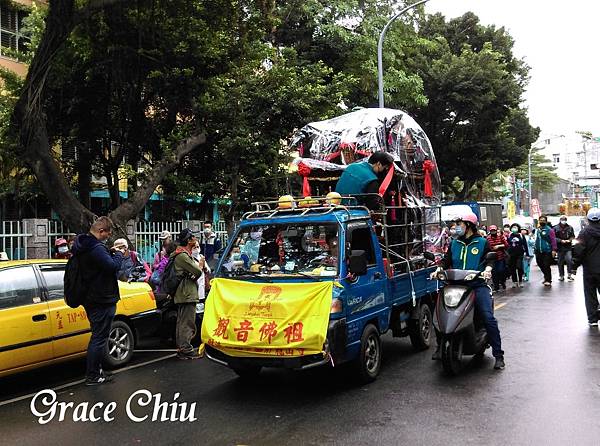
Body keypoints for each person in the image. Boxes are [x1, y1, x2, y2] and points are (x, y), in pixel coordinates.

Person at [431, 212, 505, 370]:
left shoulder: (482, 242)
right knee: (438, 313)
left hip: (476, 285)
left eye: (459, 224)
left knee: (488, 317)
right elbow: (446, 260)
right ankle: (440, 346)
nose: (456, 228)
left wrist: (488, 270)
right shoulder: (454, 243)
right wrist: (438, 269)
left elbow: (490, 258)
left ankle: (498, 355)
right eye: (456, 225)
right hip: (454, 285)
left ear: (469, 225)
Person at [71, 216, 124, 385]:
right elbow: (112, 266)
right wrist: (118, 254)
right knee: (99, 337)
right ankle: (93, 375)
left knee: (98, 335)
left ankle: (98, 371)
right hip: (101, 298)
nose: (108, 237)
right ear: (101, 231)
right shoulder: (95, 248)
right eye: (107, 234)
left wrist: (109, 252)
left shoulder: (84, 246)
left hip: (91, 297)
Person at [172, 228, 204, 360]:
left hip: (184, 293)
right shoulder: (182, 256)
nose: (196, 239)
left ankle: (182, 348)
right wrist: (200, 266)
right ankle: (186, 348)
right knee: (187, 322)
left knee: (182, 322)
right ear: (189, 240)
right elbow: (197, 271)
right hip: (186, 293)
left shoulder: (181, 254)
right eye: (193, 237)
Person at [572, 208, 600, 326]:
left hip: (590, 269)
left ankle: (593, 318)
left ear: (588, 219)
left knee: (590, 293)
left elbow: (578, 250)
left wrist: (574, 266)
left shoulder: (584, 233)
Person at [534, 215, 557, 286]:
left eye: (543, 220)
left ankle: (548, 279)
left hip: (547, 250)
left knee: (546, 265)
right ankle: (545, 275)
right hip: (538, 250)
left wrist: (554, 250)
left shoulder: (550, 230)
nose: (542, 221)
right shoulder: (538, 230)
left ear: (546, 221)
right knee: (540, 263)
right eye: (540, 220)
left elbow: (553, 240)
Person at [553, 216, 576, 282]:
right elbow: (553, 237)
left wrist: (569, 240)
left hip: (568, 246)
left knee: (569, 260)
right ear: (560, 220)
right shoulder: (555, 228)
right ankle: (561, 276)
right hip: (560, 247)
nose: (563, 221)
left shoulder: (570, 227)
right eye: (562, 220)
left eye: (565, 220)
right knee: (560, 262)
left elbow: (573, 236)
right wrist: (560, 240)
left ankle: (569, 275)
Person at [486, 225, 508, 292]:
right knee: (494, 273)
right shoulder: (488, 238)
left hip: (500, 257)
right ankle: (496, 287)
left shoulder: (500, 237)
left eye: (494, 230)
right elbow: (486, 247)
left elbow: (506, 245)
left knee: (501, 271)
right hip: (492, 258)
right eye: (492, 231)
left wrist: (499, 246)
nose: (493, 232)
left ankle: (502, 282)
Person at [506, 223, 527, 287]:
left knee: (519, 267)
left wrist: (527, 253)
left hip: (520, 253)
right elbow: (507, 244)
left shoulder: (521, 235)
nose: (514, 228)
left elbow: (525, 244)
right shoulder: (509, 235)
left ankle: (520, 281)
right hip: (511, 254)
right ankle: (514, 281)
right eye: (513, 227)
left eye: (515, 227)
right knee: (512, 268)